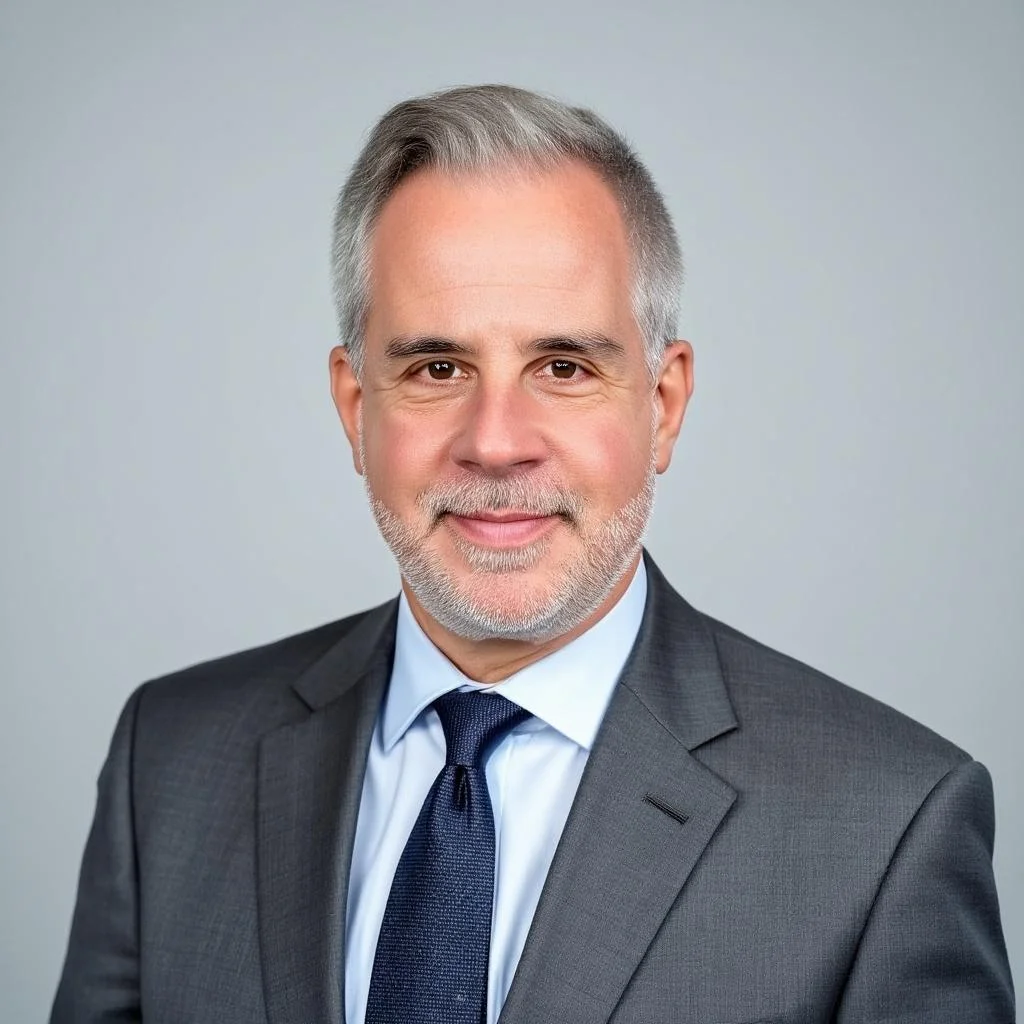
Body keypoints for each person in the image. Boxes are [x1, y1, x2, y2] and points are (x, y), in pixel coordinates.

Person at [51, 84, 1014, 1024]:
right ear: (355, 408)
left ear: (664, 404)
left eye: (563, 367)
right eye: (437, 367)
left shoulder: (890, 824)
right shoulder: (169, 760)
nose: (497, 440)